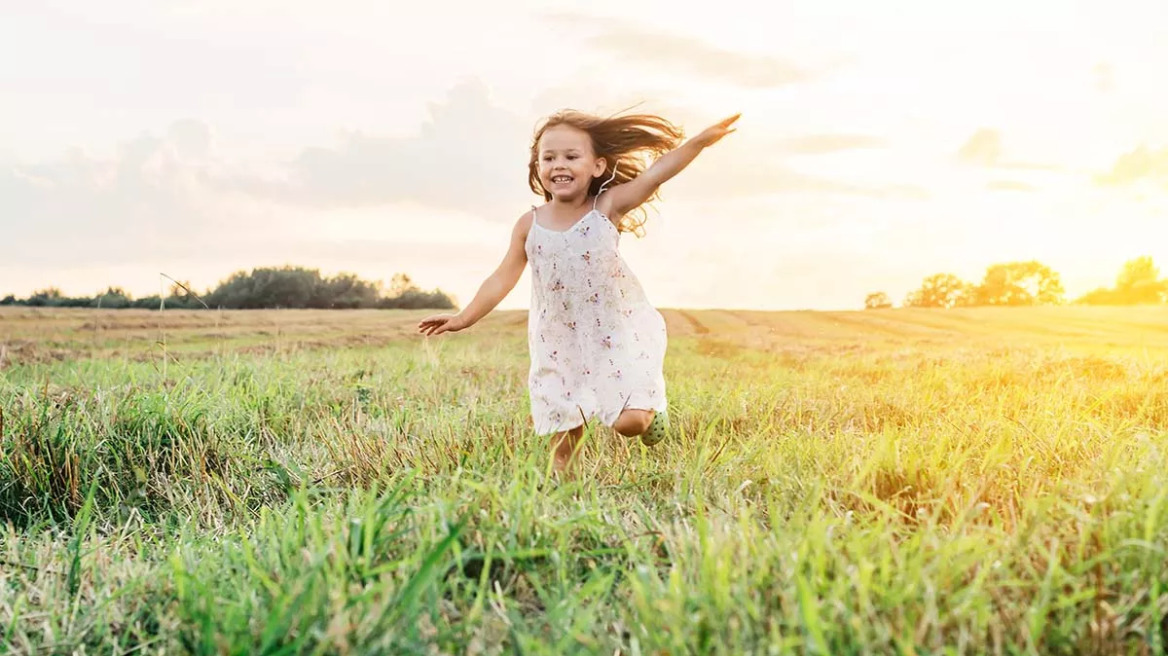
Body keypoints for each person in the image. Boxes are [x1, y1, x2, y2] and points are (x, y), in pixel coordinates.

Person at [418, 108, 740, 472]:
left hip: (612, 332)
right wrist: (464, 317)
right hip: (557, 341)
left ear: (597, 166)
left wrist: (698, 142)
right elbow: (501, 277)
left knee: (630, 423)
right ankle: (564, 504)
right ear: (537, 167)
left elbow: (655, 175)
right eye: (549, 157)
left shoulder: (607, 207)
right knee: (563, 437)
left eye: (572, 156)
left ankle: (653, 410)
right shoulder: (529, 224)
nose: (559, 164)